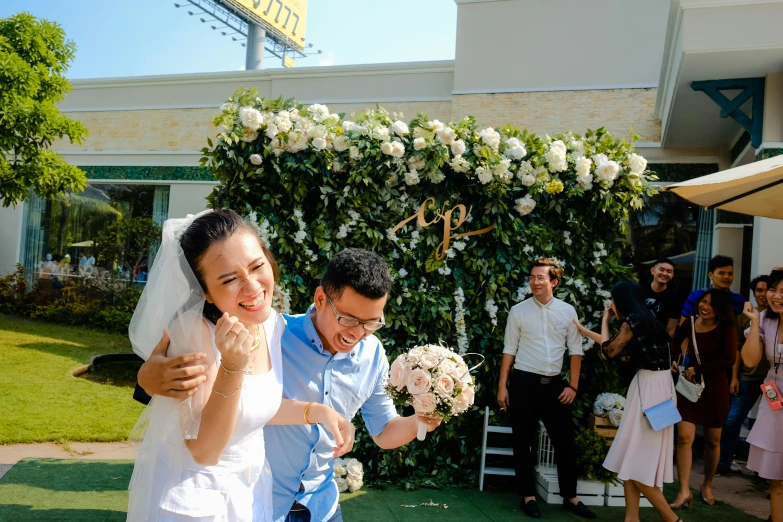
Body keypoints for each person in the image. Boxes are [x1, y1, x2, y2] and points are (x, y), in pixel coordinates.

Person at [136, 247, 443, 522]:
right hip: (259, 502)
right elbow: (204, 373)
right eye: (348, 319)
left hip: (322, 507)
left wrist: (422, 422)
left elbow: (384, 431)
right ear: (320, 299)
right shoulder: (271, 333)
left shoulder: (373, 354)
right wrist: (145, 378)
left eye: (372, 322)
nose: (359, 332)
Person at [126, 209, 352, 522]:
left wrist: (316, 411)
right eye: (229, 279)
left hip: (251, 492)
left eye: (257, 266)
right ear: (204, 290)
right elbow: (205, 450)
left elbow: (251, 408)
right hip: (198, 502)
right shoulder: (194, 333)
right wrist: (232, 367)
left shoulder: (270, 323)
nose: (252, 288)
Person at [497, 258, 596, 520]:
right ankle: (527, 496)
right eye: (532, 277)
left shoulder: (567, 311)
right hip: (523, 384)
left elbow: (576, 352)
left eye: (540, 277)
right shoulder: (518, 311)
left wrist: (573, 386)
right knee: (522, 441)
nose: (535, 282)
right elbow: (509, 349)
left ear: (554, 281)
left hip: (555, 386)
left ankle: (571, 497)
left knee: (565, 443)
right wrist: (502, 386)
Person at [575, 281, 681, 522]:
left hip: (649, 391)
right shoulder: (645, 318)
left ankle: (672, 520)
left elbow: (608, 352)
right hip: (658, 388)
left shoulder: (633, 321)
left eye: (612, 299)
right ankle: (631, 518)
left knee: (637, 462)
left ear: (620, 300)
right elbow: (613, 345)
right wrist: (586, 330)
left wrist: (603, 321)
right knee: (632, 459)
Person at [669, 290, 737, 509]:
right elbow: (674, 342)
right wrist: (674, 359)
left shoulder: (726, 328)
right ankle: (683, 491)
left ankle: (707, 485)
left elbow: (728, 359)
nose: (705, 307)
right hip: (688, 388)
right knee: (684, 437)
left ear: (721, 310)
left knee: (713, 440)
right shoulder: (689, 322)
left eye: (711, 305)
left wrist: (698, 368)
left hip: (715, 389)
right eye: (703, 302)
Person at [740, 269, 783, 522]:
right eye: (773, 290)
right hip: (774, 399)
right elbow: (750, 359)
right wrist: (755, 322)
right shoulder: (765, 319)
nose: (777, 296)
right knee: (776, 477)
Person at [717, 275, 770, 475]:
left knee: (771, 422)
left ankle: (765, 471)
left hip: (772, 380)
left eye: (767, 289)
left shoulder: (777, 316)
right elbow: (737, 349)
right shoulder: (743, 317)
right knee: (732, 419)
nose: (763, 294)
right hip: (749, 377)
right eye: (758, 290)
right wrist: (734, 377)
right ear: (753, 293)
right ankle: (724, 462)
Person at [644, 258, 681, 338]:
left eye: (669, 271)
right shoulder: (639, 290)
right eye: (661, 269)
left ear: (672, 275)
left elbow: (670, 330)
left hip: (657, 341)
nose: (665, 273)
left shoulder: (674, 299)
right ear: (652, 271)